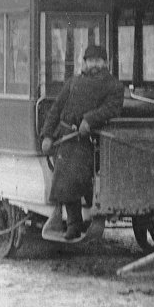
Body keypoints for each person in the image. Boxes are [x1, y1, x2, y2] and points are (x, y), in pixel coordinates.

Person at [40, 44, 123, 240]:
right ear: (84, 63)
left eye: (99, 61)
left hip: (92, 141)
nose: (95, 64)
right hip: (66, 138)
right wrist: (47, 135)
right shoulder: (72, 83)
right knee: (66, 182)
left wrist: (90, 119)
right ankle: (73, 224)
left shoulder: (113, 86)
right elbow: (55, 109)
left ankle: (85, 221)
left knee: (77, 180)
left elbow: (112, 109)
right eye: (91, 60)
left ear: (106, 63)